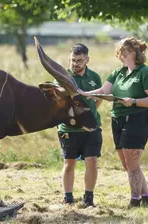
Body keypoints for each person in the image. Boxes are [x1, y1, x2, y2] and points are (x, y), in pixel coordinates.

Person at [78, 37, 148, 208]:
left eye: (123, 52)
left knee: (132, 164)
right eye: (119, 52)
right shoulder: (118, 73)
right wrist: (83, 93)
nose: (121, 55)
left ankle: (135, 201)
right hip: (118, 119)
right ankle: (147, 197)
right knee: (127, 164)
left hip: (137, 119)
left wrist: (134, 101)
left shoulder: (145, 73)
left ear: (134, 52)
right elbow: (103, 91)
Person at [57, 43, 103, 206]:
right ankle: (68, 198)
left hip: (91, 128)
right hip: (68, 129)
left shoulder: (95, 78)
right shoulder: (62, 78)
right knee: (69, 163)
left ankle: (88, 199)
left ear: (87, 60)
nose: (75, 64)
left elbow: (99, 99)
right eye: (72, 60)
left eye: (79, 60)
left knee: (92, 162)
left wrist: (88, 116)